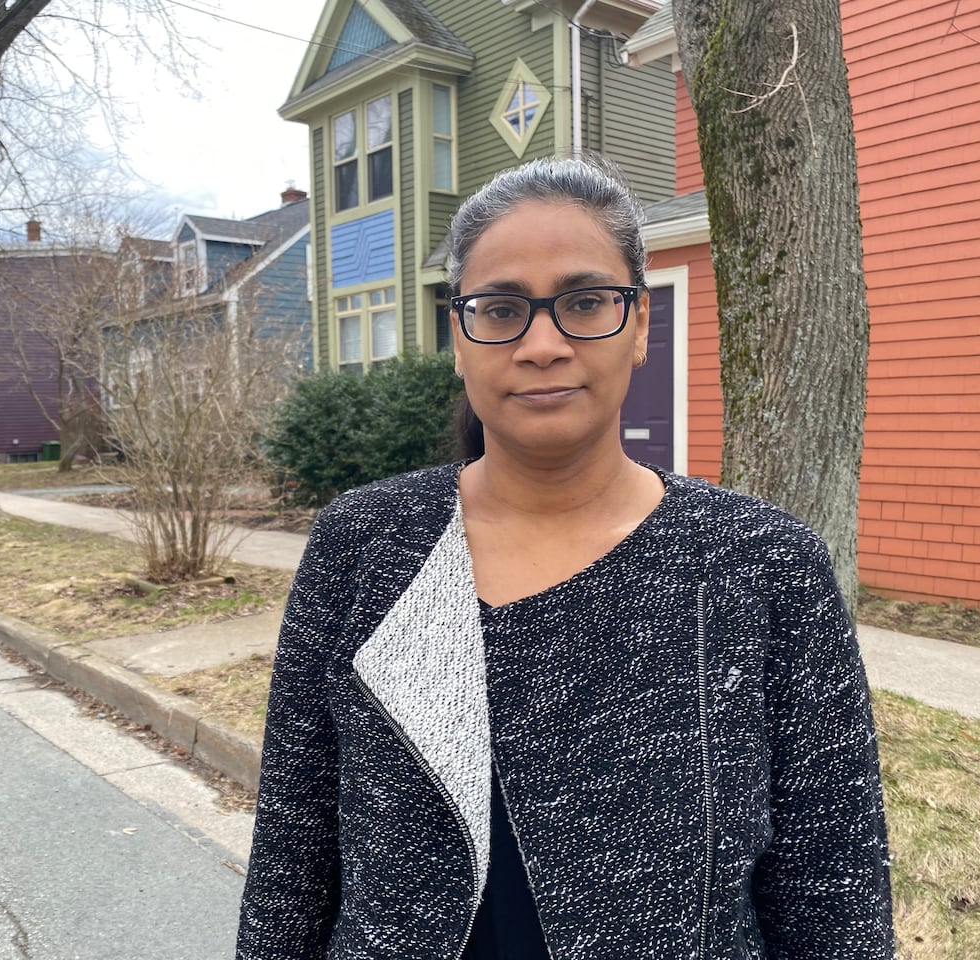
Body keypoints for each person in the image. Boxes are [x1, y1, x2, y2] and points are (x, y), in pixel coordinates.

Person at [235, 156, 894, 960]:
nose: (542, 344)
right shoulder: (363, 546)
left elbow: (833, 890)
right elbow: (292, 860)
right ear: (459, 336)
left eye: (585, 302)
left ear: (641, 324)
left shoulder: (760, 563)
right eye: (501, 308)